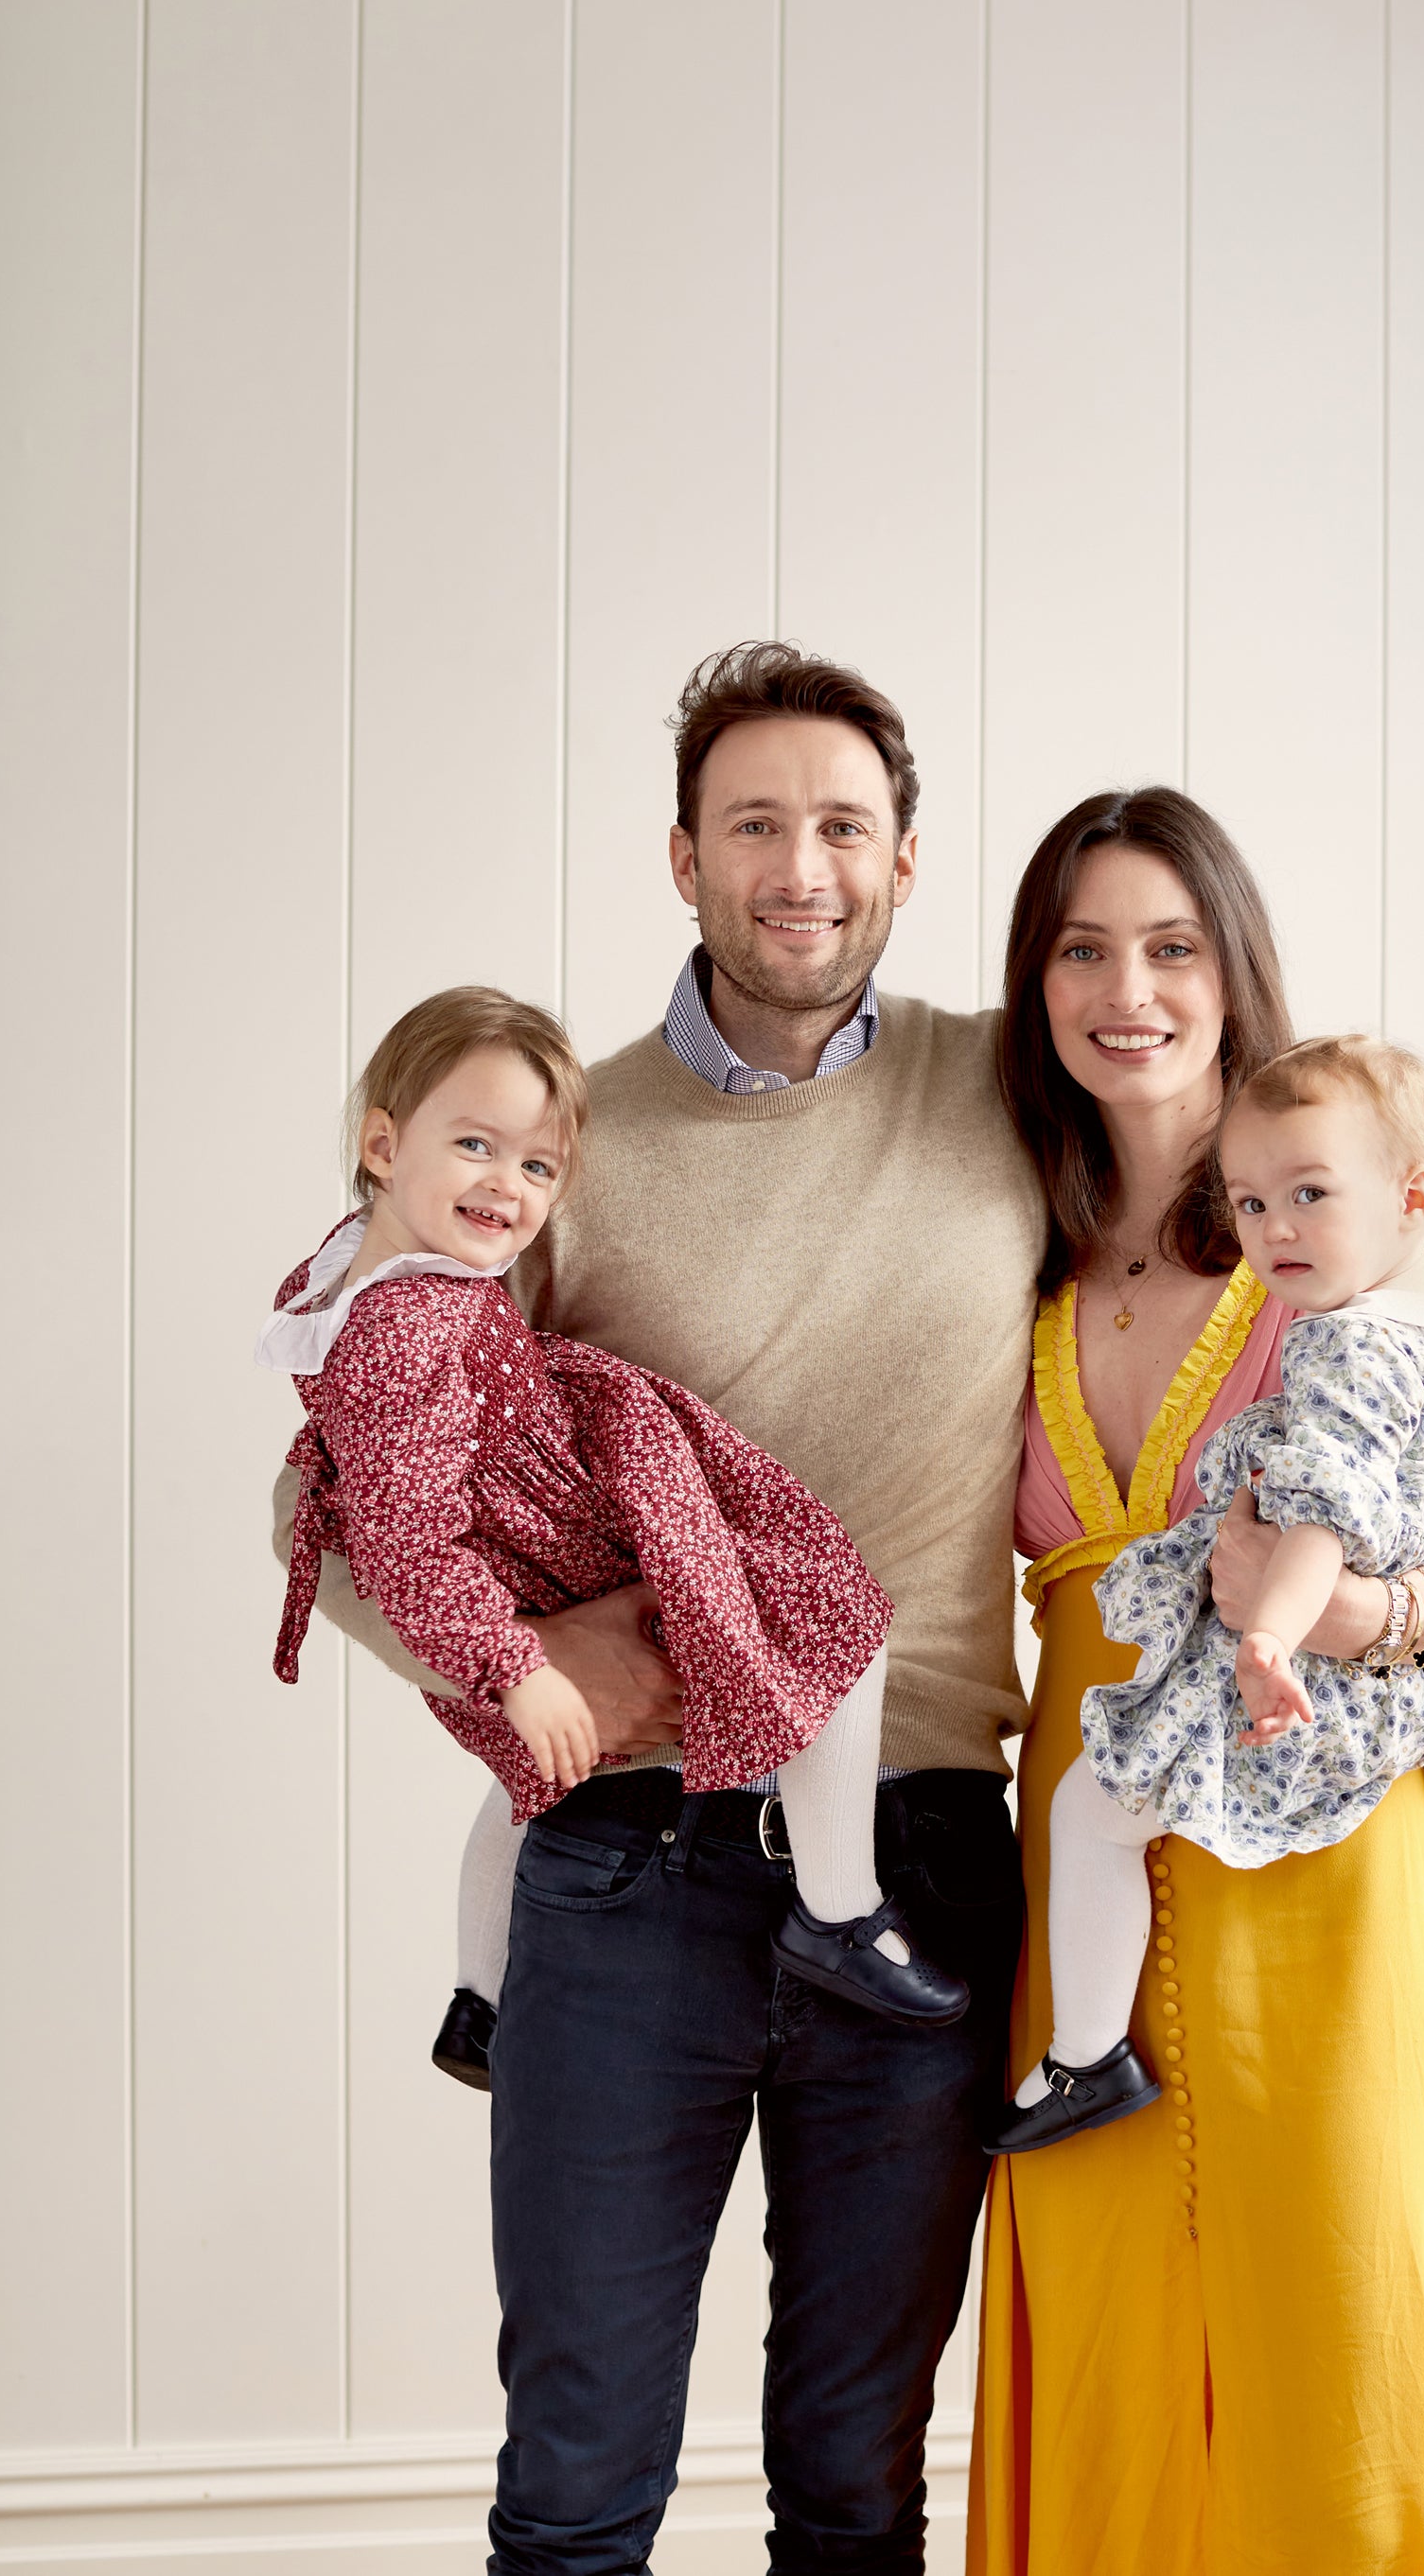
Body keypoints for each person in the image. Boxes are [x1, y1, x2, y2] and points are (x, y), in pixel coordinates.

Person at [272, 644, 1046, 2576]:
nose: (805, 867)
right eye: (758, 824)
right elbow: (331, 1486)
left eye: (846, 826)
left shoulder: (1008, 1090)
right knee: (580, 2481)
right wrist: (543, 1664)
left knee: (858, 2486)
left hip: (925, 1853)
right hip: (632, 1869)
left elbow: (1250, 1216)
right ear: (682, 858)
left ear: (908, 858)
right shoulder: (559, 1141)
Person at [967, 788, 1424, 2575]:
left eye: (1172, 943)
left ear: (1234, 971)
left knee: (1342, 2345)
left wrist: (1358, 1614)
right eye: (1082, 946)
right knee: (1105, 2347)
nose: (1129, 987)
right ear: (1036, 985)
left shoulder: (1371, 1241)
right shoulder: (1011, 1235)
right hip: (1089, 1871)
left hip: (1326, 1862)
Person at [258, 984, 967, 2051]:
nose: (508, 1185)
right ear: (381, 1142)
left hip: (531, 1505)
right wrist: (518, 1666)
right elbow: (410, 1543)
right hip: (557, 1526)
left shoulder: (351, 1269)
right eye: (475, 1145)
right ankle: (841, 1909)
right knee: (832, 1619)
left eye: (539, 1167)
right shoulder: (409, 1328)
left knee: (540, 1777)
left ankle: (478, 1995)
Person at [988, 1031, 1424, 2154]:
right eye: (1248, 1204)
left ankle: (1084, 2057)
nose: (1273, 1229)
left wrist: (1274, 1637)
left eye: (1307, 1196)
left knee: (1090, 1813)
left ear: (1414, 1196)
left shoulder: (1342, 1347)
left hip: (1319, 1674)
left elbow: (1329, 1507)